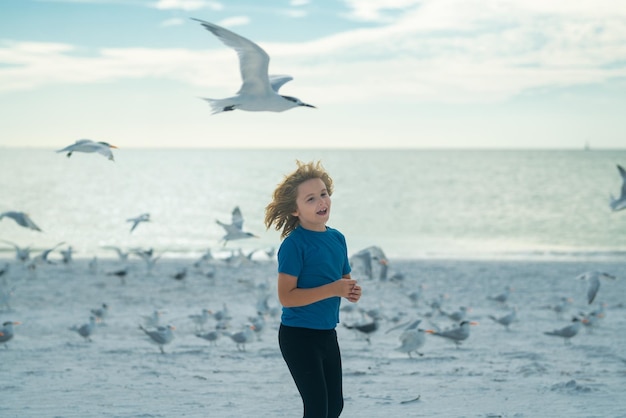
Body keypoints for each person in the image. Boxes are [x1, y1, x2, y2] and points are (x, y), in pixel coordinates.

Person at [265, 160, 362, 418]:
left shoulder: (337, 238)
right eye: (310, 199)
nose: (322, 202)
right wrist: (334, 289)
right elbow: (286, 296)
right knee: (318, 409)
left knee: (335, 407)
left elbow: (344, 280)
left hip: (327, 334)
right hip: (298, 337)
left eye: (323, 194)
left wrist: (350, 291)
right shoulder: (294, 245)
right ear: (295, 210)